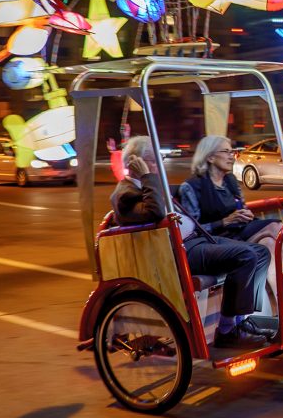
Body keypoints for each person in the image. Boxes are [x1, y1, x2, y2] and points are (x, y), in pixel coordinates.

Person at [110, 136, 274, 348]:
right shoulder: (126, 194)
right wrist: (147, 175)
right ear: (135, 162)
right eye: (152, 160)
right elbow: (155, 211)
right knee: (245, 256)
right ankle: (227, 330)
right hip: (180, 250)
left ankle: (242, 321)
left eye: (156, 159)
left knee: (261, 252)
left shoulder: (149, 185)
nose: (157, 165)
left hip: (196, 239)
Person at [178, 135, 283, 314]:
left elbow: (240, 206)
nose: (231, 156)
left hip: (239, 231)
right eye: (225, 152)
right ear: (210, 157)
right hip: (216, 240)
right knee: (275, 229)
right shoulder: (192, 187)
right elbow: (193, 230)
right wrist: (225, 221)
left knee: (273, 241)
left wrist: (245, 213)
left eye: (232, 151)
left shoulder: (230, 181)